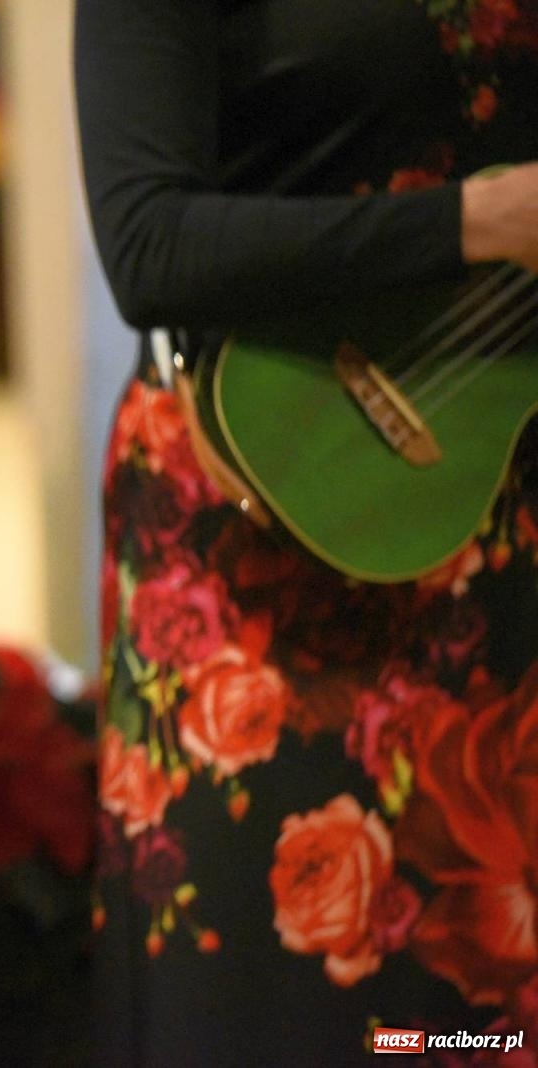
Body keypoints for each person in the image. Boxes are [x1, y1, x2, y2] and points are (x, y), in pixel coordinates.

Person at [77, 0, 538, 1062]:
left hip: (505, 505)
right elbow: (146, 247)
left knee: (467, 1030)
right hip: (255, 531)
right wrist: (475, 220)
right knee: (276, 1011)